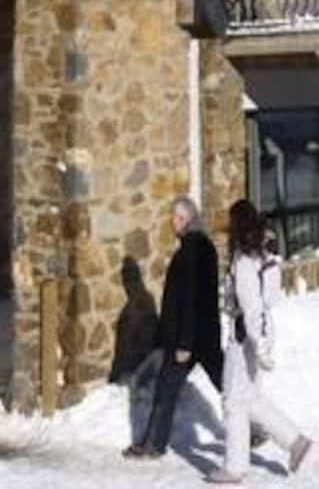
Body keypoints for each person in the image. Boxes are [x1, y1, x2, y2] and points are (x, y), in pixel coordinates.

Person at [208, 200, 312, 485]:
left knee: (233, 399)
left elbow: (252, 307)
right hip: (257, 334)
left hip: (245, 338)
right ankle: (295, 442)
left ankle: (235, 467)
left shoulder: (244, 262)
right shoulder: (263, 255)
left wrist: (260, 344)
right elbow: (269, 299)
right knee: (249, 399)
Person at [128, 196, 223, 459]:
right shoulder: (204, 246)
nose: (172, 222)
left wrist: (184, 343)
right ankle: (255, 428)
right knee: (226, 383)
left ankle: (153, 445)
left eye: (175, 217)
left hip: (188, 337)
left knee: (166, 389)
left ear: (185, 219)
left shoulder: (191, 249)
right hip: (205, 335)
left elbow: (190, 298)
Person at [109, 258, 161, 451]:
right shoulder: (147, 299)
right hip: (151, 358)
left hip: (141, 364)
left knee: (141, 402)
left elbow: (126, 347)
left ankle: (142, 442)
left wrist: (116, 373)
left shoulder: (133, 309)